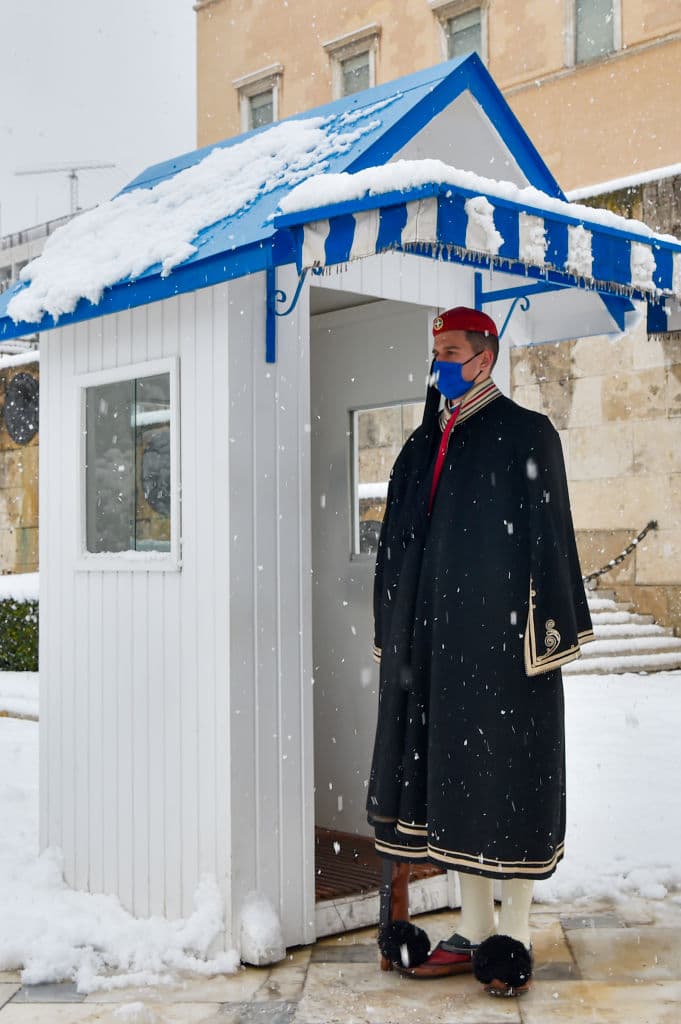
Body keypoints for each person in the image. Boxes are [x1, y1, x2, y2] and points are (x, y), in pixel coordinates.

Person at [368, 306, 594, 997]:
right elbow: (395, 547)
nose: (440, 361)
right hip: (436, 650)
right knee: (454, 789)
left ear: (485, 356)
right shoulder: (420, 444)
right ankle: (471, 929)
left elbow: (550, 539)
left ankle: (513, 935)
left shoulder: (526, 433)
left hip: (501, 648)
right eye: (434, 349)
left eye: (453, 349)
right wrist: (396, 630)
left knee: (509, 784)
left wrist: (541, 637)